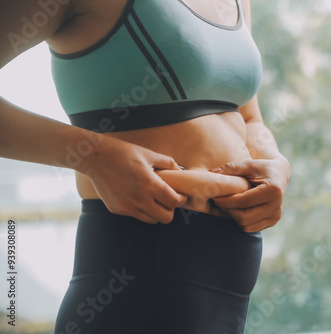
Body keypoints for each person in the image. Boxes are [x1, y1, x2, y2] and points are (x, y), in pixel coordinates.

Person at [0, 0, 290, 333]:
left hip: (229, 287)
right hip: (133, 276)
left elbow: (249, 117)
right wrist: (93, 156)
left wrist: (277, 165)